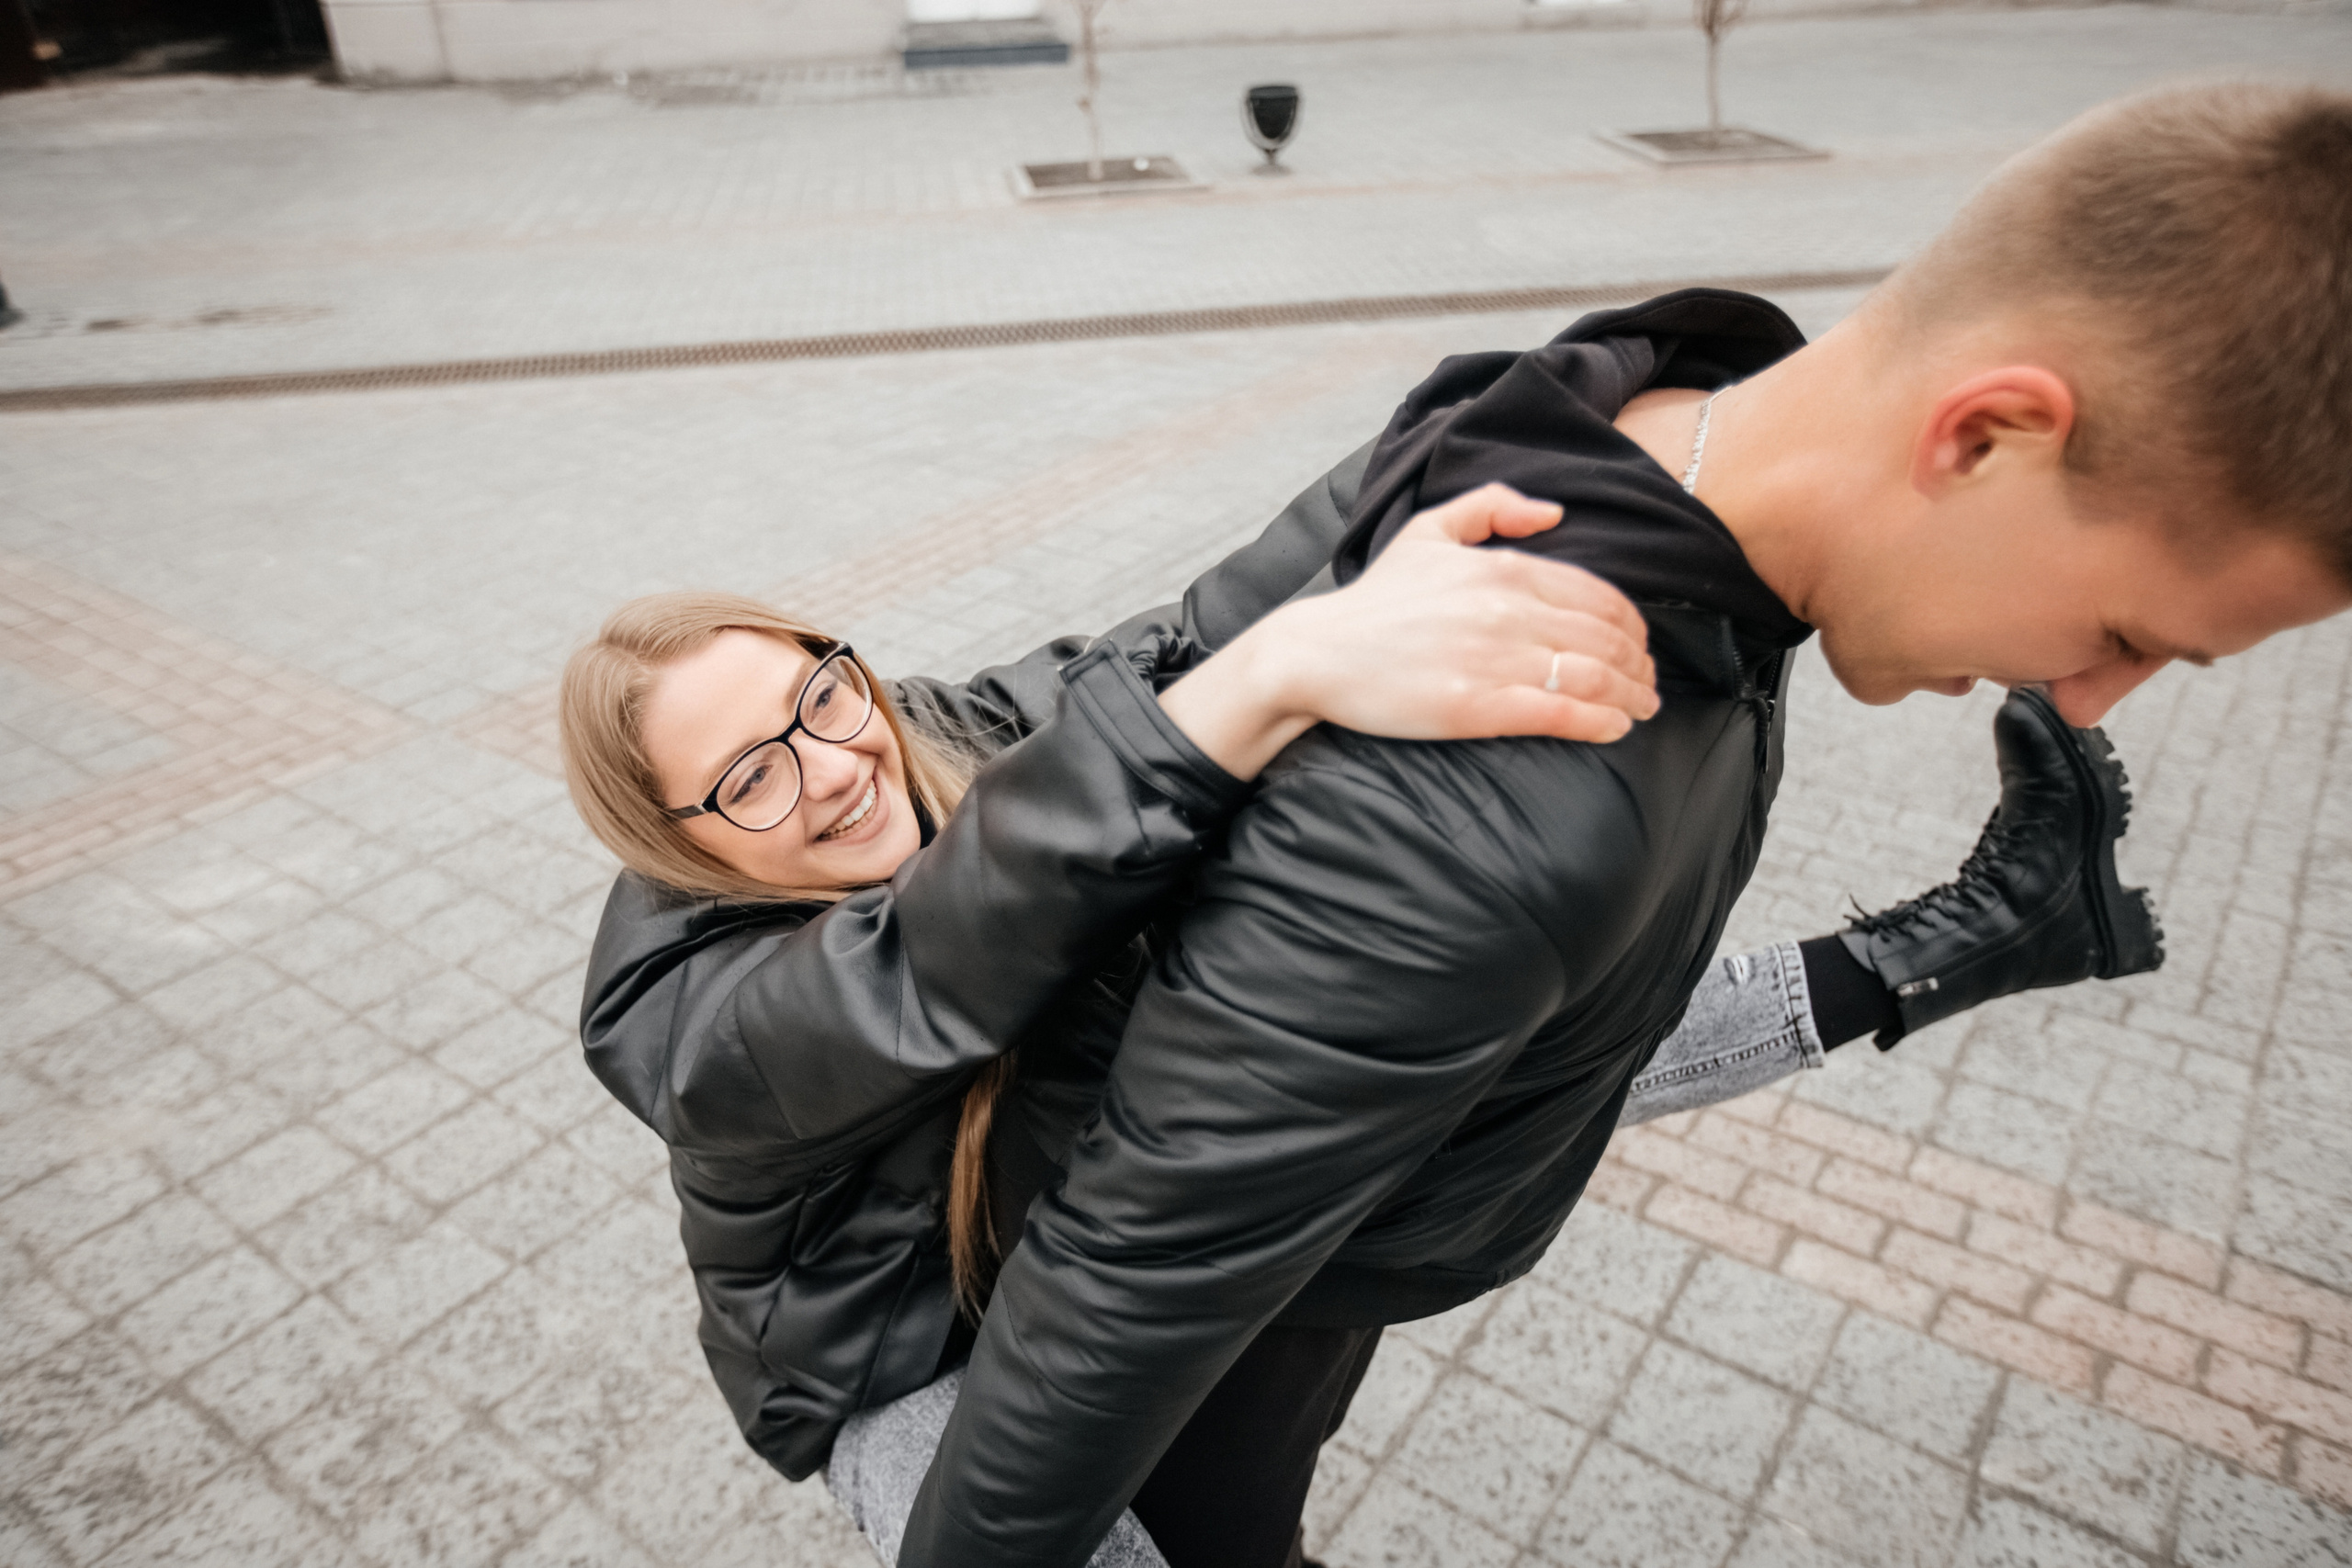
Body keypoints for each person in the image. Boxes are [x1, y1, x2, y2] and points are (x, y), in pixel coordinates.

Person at [893, 81, 2351, 1568]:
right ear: (1982, 437)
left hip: (1344, 1206)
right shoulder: (1494, 807)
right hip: (1260, 1292)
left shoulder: (1638, 429)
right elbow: (1118, 1300)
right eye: (2125, 627)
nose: (2093, 697)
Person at [566, 495, 2159, 1563]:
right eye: (750, 781)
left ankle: (1963, 941)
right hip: (922, 1359)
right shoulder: (689, 1017)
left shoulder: (924, 735)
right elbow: (921, 970)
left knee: (1433, 1022)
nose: (828, 768)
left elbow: (1180, 637)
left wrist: (1545, 485)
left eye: (815, 699)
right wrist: (1258, 694)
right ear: (681, 843)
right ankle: (1991, 937)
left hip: (1116, 1228)